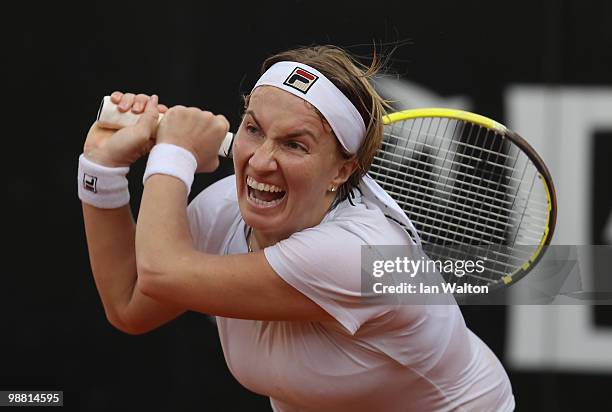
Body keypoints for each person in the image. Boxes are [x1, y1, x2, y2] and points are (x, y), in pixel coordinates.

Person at [78, 45, 515, 411]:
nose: (263, 160)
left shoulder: (357, 254)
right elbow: (130, 304)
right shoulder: (220, 213)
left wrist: (174, 152)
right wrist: (102, 167)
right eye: (254, 129)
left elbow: (161, 272)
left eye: (294, 144)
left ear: (343, 170)